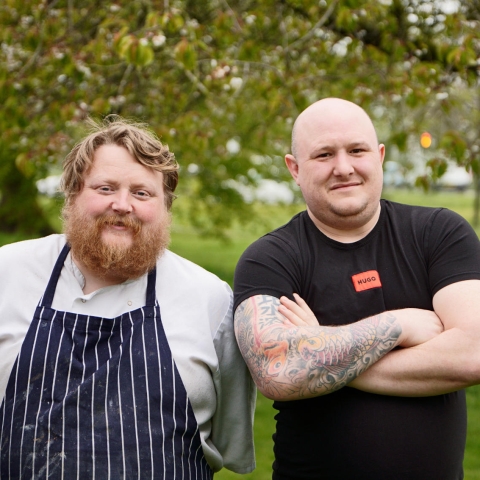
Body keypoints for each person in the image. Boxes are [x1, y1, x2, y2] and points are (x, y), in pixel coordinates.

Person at [233, 98, 480, 479]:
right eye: (324, 155)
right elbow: (276, 370)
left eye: (357, 150)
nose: (343, 167)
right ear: (294, 169)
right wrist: (399, 325)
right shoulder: (270, 258)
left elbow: (471, 354)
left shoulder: (439, 234)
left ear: (379, 155)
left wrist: (317, 348)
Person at [0, 117, 255, 478]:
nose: (122, 205)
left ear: (165, 206)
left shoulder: (209, 298)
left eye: (141, 193)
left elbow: (228, 437)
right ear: (72, 195)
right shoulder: (8, 273)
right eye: (105, 188)